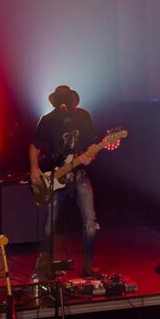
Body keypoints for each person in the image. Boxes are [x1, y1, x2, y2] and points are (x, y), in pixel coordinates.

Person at [30, 85, 100, 279]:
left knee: (90, 220)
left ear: (72, 101)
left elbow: (93, 143)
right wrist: (34, 169)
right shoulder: (48, 120)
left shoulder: (83, 117)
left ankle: (88, 265)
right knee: (49, 223)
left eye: (65, 100)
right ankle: (44, 263)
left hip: (80, 175)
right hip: (54, 177)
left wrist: (91, 155)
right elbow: (34, 146)